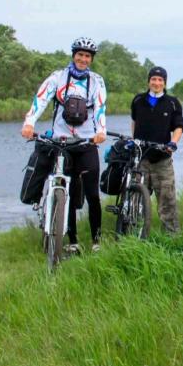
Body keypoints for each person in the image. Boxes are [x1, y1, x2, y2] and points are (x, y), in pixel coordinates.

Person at [21, 37, 107, 253]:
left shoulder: (97, 81)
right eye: (80, 55)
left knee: (91, 193)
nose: (83, 59)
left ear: (91, 59)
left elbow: (100, 108)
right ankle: (72, 240)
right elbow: (40, 100)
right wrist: (29, 123)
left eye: (87, 56)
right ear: (73, 55)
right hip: (60, 142)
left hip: (86, 142)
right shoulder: (58, 78)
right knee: (66, 189)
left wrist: (100, 131)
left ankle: (97, 240)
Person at [130, 66, 183, 233]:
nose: (156, 82)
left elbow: (179, 127)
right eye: (153, 79)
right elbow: (133, 121)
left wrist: (173, 143)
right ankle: (135, 234)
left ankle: (171, 236)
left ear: (165, 83)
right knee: (136, 201)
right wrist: (134, 141)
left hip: (162, 160)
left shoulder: (173, 103)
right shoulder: (138, 100)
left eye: (160, 80)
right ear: (149, 81)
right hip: (141, 160)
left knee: (167, 200)